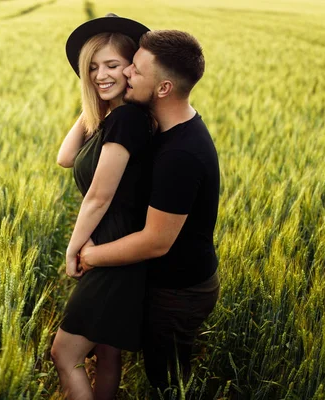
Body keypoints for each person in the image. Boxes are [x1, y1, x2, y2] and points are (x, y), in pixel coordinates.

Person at [79, 30, 221, 395]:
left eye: (136, 71)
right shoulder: (162, 129)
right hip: (155, 279)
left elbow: (156, 241)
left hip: (178, 291)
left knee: (167, 385)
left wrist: (91, 256)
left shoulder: (181, 155)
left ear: (163, 89)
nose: (125, 74)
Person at [51, 14, 153, 400]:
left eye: (112, 65)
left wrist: (74, 249)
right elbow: (65, 157)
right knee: (107, 355)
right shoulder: (116, 116)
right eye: (92, 68)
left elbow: (98, 196)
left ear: (133, 66)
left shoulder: (126, 119)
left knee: (64, 355)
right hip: (118, 249)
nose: (100, 74)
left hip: (110, 251)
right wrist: (96, 99)